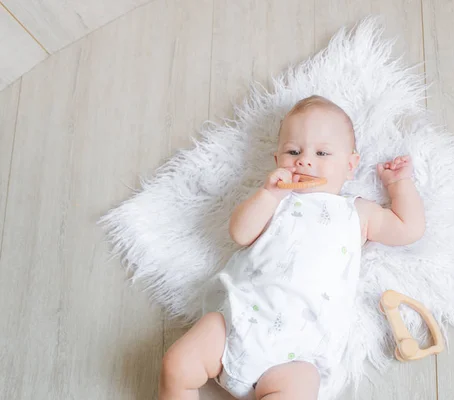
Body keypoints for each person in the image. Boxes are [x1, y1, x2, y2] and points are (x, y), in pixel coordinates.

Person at [159, 95, 425, 400]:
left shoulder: (356, 213)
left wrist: (399, 184)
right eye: (293, 151)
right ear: (276, 161)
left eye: (322, 152)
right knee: (176, 365)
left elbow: (408, 228)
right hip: (241, 318)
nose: (305, 160)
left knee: (299, 388)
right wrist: (268, 195)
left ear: (350, 166)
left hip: (299, 351)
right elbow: (240, 233)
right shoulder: (278, 201)